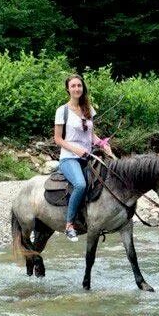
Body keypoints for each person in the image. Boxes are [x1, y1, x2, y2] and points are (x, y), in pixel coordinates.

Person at [53, 74, 116, 241]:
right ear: (68, 89)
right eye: (73, 86)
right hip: (69, 157)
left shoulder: (89, 108)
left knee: (108, 180)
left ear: (83, 88)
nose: (76, 89)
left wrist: (102, 144)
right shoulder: (62, 111)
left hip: (87, 157)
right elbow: (58, 139)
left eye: (79, 86)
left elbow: (91, 135)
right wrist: (75, 149)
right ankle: (69, 225)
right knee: (80, 184)